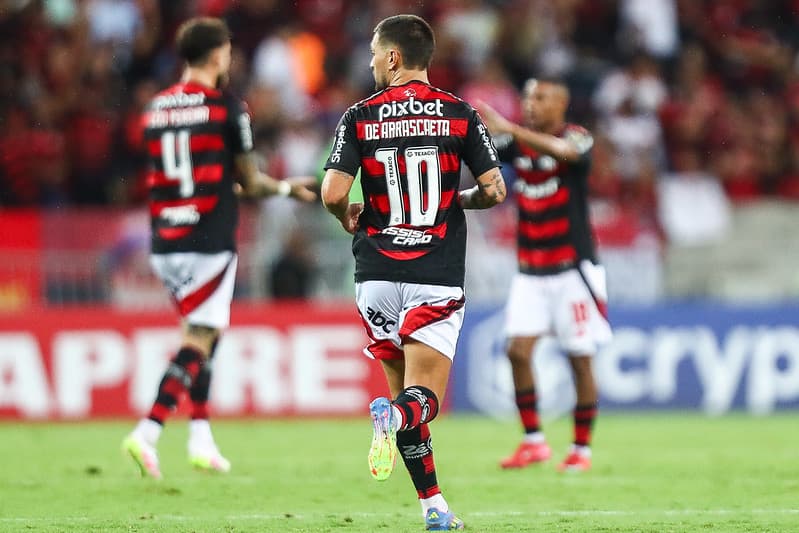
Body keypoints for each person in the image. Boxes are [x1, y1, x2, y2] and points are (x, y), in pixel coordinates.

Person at [321, 14, 506, 531]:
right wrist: (457, 200)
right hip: (434, 270)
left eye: (376, 54)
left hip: (375, 271)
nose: (372, 62)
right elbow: (494, 190)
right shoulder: (460, 113)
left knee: (405, 392)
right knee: (420, 403)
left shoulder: (360, 116)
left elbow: (333, 193)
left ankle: (435, 509)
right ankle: (393, 418)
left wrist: (346, 216)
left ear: (395, 58)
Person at [122, 17, 315, 480]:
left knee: (206, 331)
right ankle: (147, 431)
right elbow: (247, 182)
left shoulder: (157, 107)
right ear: (214, 56)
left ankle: (201, 437)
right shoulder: (227, 107)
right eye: (227, 52)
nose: (231, 60)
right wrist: (290, 190)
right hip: (208, 237)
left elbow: (176, 171)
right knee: (199, 338)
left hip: (165, 238)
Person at [476, 79, 612, 472]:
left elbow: (567, 153)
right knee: (517, 351)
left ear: (562, 103)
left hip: (573, 271)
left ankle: (581, 449)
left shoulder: (578, 137)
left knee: (579, 360)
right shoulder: (514, 144)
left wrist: (511, 128)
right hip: (530, 270)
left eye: (540, 97)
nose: (530, 104)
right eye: (527, 97)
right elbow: (478, 153)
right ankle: (534, 441)